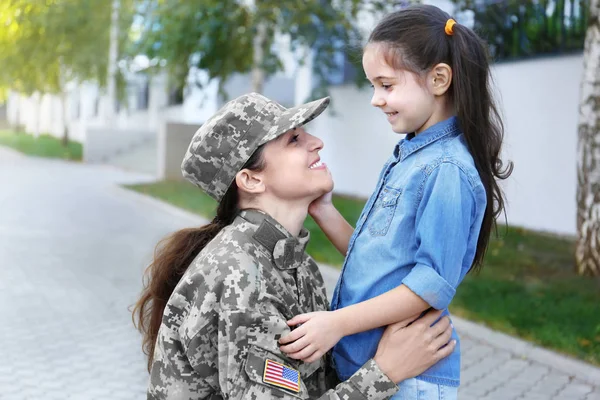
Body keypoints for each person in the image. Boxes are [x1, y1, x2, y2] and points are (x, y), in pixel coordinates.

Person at [132, 92, 456, 400]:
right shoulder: (242, 278)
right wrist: (386, 370)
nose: (317, 143)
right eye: (294, 140)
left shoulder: (291, 261)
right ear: (251, 180)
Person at [278, 4, 513, 399]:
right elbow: (380, 256)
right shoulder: (411, 154)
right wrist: (325, 211)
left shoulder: (446, 169)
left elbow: (430, 287)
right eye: (373, 86)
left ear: (439, 79)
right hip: (372, 366)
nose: (375, 99)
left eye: (386, 85)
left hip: (409, 379)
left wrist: (336, 324)